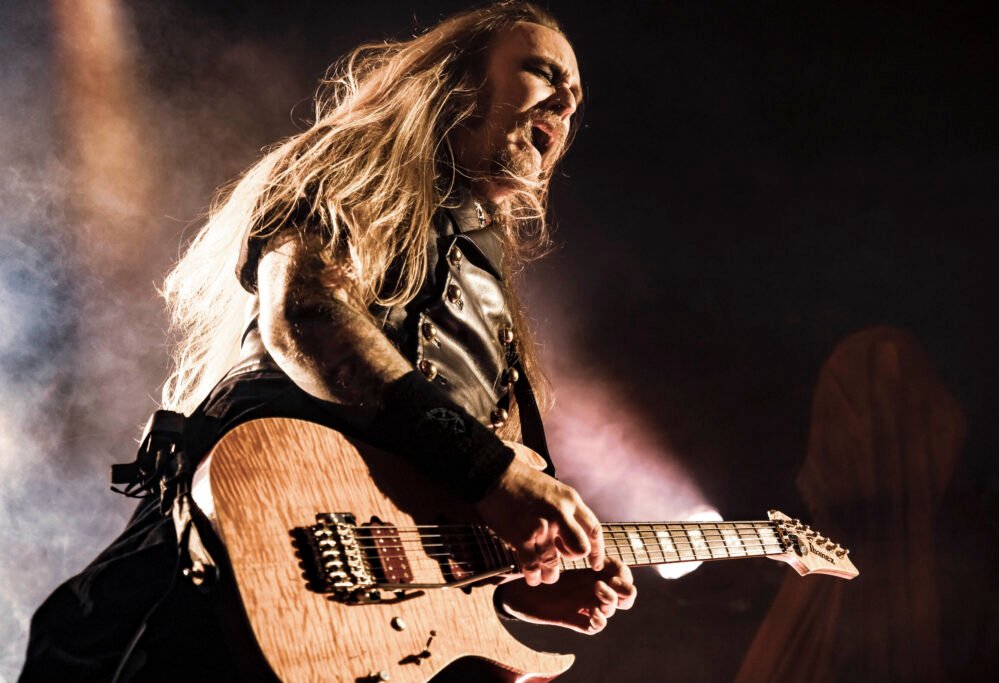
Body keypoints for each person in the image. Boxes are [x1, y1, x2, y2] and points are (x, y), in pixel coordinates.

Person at [21, 3, 636, 681]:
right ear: (457, 81)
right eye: (543, 72)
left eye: (575, 95)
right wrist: (492, 469)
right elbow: (308, 315)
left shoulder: (490, 289)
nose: (566, 102)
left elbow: (413, 514)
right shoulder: (362, 166)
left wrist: (510, 585)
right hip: (242, 547)